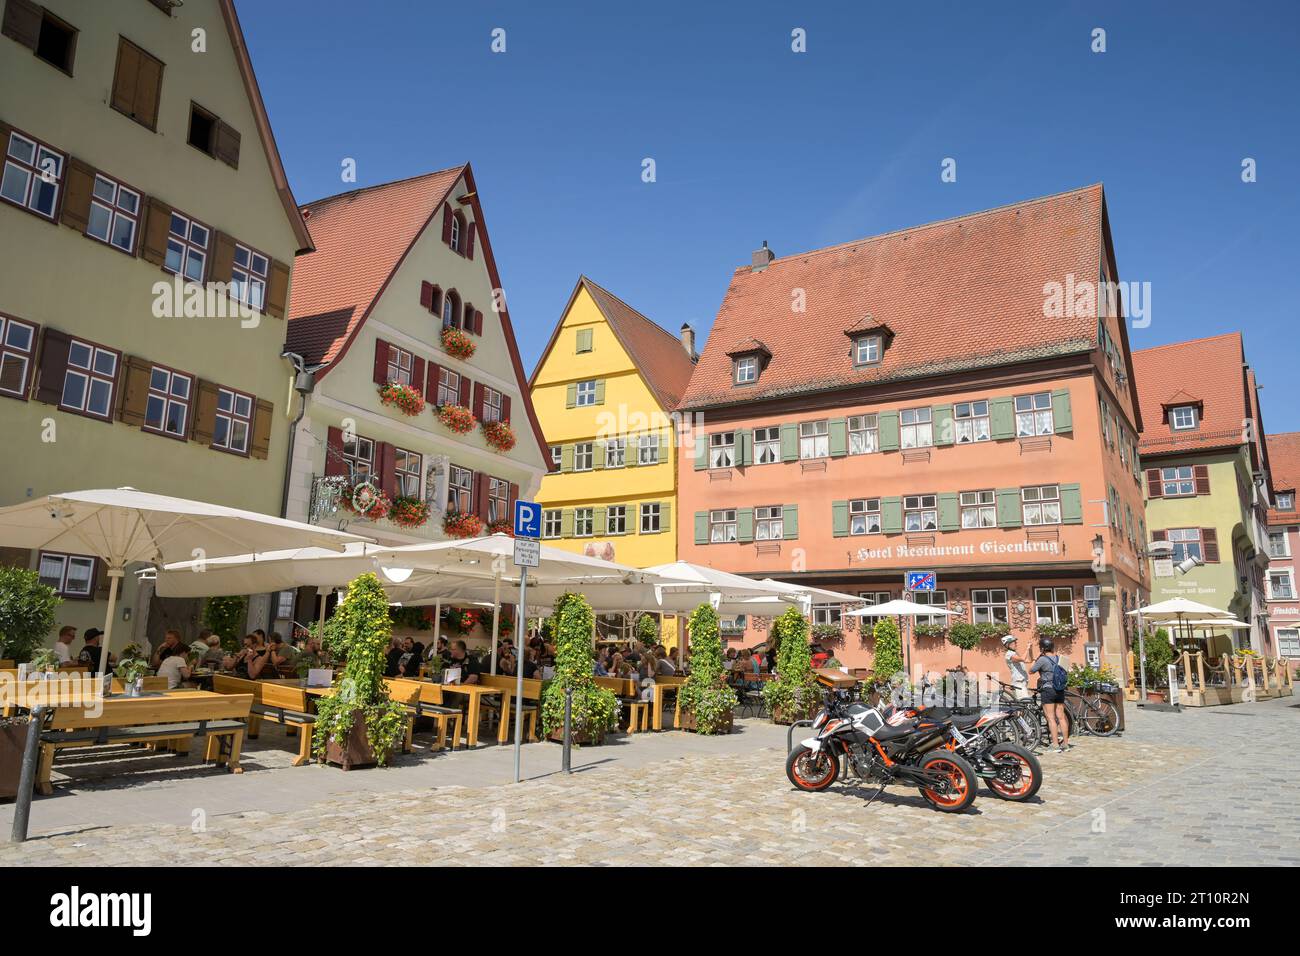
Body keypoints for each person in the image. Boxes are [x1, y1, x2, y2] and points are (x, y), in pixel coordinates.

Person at [1029, 637, 1070, 752]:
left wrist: (1035, 658)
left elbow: (1031, 671)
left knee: (1051, 718)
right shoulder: (1059, 658)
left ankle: (1055, 745)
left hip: (1048, 689)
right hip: (1060, 689)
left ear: (1042, 648)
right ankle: (1066, 744)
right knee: (1061, 717)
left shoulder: (1042, 659)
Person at [1002, 634, 1030, 700]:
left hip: (1023, 682)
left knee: (1023, 704)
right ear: (1008, 644)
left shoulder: (1015, 653)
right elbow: (1022, 659)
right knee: (1025, 702)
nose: (1016, 644)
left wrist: (1030, 649)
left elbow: (1028, 660)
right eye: (1014, 642)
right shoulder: (1009, 654)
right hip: (1018, 683)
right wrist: (1027, 648)